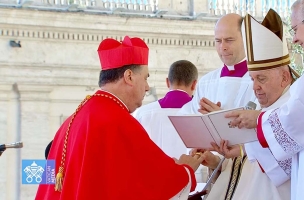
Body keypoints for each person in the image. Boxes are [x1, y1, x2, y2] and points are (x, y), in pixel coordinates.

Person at [35, 36, 204, 200]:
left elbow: (52, 180)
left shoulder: (76, 117)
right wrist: (186, 170)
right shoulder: (116, 121)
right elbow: (149, 185)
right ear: (129, 76)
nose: (147, 87)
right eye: (145, 78)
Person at [227, 1, 304, 199]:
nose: (294, 39)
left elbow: (303, 114)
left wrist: (257, 120)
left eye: (295, 29)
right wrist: (245, 146)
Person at [193, 9, 294, 200]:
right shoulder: (268, 106)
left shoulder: (291, 109)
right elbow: (248, 167)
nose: (255, 87)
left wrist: (232, 130)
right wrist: (233, 153)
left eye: (261, 79)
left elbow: (284, 165)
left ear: (284, 77)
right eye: (253, 79)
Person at [132, 60, 198, 159]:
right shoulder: (202, 114)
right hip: (194, 174)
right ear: (194, 84)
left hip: (154, 174)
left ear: (167, 82)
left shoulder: (142, 113)